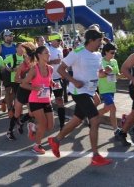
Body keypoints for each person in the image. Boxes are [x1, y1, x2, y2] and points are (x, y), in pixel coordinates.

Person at [47, 29, 112, 166]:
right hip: (78, 91)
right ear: (92, 40)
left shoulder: (98, 55)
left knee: (76, 120)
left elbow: (98, 73)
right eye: (99, 40)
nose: (101, 43)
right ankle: (95, 155)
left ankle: (56, 140)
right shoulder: (77, 52)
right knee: (94, 119)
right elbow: (60, 69)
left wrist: (104, 72)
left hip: (90, 91)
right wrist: (73, 81)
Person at [20, 45, 55, 154]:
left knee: (50, 126)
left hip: (46, 100)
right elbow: (23, 84)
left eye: (49, 53)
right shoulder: (34, 70)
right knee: (43, 124)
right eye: (46, 53)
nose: (49, 54)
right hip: (35, 100)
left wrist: (52, 83)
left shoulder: (50, 68)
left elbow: (48, 81)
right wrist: (35, 88)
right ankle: (37, 146)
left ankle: (33, 127)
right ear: (39, 55)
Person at [6, 42, 37, 140]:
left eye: (26, 56)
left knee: (32, 113)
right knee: (17, 114)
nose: (25, 58)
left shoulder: (35, 65)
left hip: (31, 91)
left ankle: (21, 122)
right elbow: (16, 79)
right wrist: (24, 81)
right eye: (24, 56)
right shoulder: (22, 66)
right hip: (22, 90)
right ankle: (9, 131)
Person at [97, 43, 120, 133]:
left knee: (106, 109)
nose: (113, 54)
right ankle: (116, 130)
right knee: (113, 108)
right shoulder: (100, 62)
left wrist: (127, 75)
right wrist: (106, 72)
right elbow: (99, 75)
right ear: (106, 52)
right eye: (112, 52)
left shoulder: (114, 62)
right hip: (104, 89)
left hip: (112, 89)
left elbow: (117, 75)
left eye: (114, 53)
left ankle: (92, 116)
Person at [47, 33, 65, 130]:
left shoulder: (60, 49)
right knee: (46, 101)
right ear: (52, 40)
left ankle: (62, 124)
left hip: (57, 79)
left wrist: (63, 73)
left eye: (60, 40)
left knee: (59, 100)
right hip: (47, 79)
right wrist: (53, 62)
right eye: (58, 40)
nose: (60, 42)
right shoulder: (47, 49)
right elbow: (40, 63)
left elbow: (61, 62)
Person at [3, 43, 25, 117]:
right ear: (16, 49)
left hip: (23, 79)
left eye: (23, 48)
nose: (22, 49)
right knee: (17, 96)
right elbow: (3, 63)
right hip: (14, 79)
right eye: (20, 47)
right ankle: (17, 112)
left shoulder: (25, 57)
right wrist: (10, 69)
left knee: (19, 96)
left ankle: (8, 104)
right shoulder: (12, 57)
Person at [0, 29, 17, 110]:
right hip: (6, 71)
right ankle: (10, 109)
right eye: (9, 36)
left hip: (15, 71)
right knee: (8, 90)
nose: (11, 37)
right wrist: (4, 68)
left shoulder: (15, 46)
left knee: (15, 92)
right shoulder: (0, 48)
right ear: (4, 37)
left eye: (11, 36)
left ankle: (5, 101)